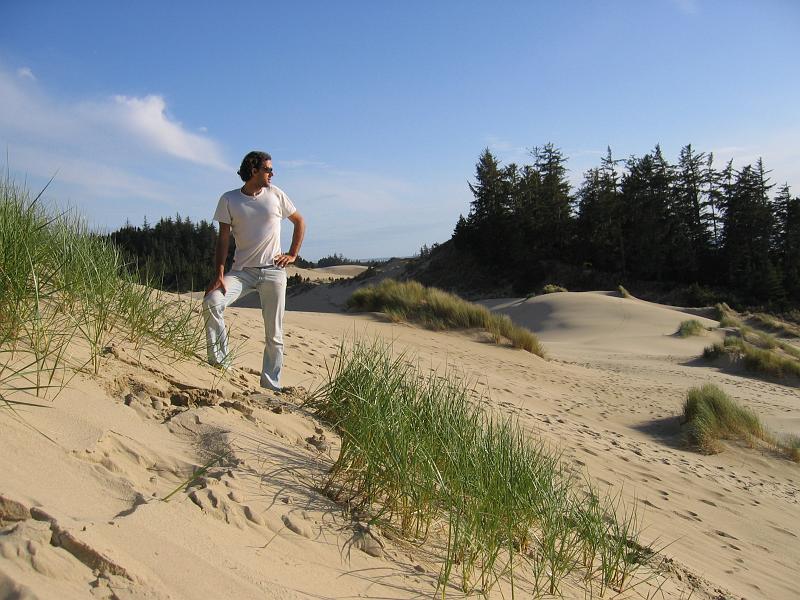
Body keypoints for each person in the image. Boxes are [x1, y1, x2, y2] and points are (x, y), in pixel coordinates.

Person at [203, 150, 306, 391]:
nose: (272, 173)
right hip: (242, 272)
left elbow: (300, 221)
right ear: (254, 170)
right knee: (211, 302)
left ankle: (271, 385)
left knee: (274, 333)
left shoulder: (276, 194)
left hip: (273, 271)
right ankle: (220, 364)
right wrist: (219, 274)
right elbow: (223, 241)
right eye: (268, 169)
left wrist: (292, 255)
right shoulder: (229, 199)